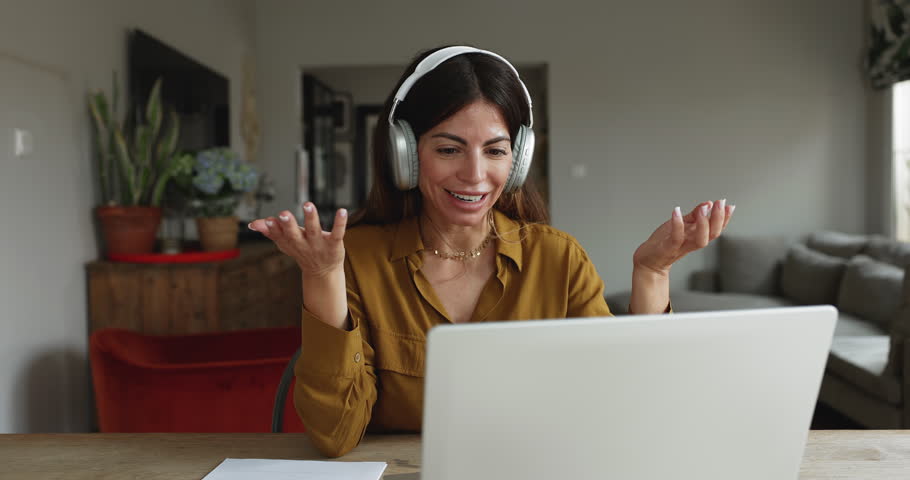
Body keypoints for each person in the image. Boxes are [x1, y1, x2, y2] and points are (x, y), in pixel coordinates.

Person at [248, 45, 734, 457]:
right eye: (449, 149)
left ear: (517, 160)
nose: (475, 176)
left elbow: (625, 411)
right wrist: (322, 278)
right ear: (406, 155)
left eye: (496, 151)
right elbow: (335, 435)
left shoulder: (558, 260)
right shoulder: (355, 256)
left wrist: (650, 271)